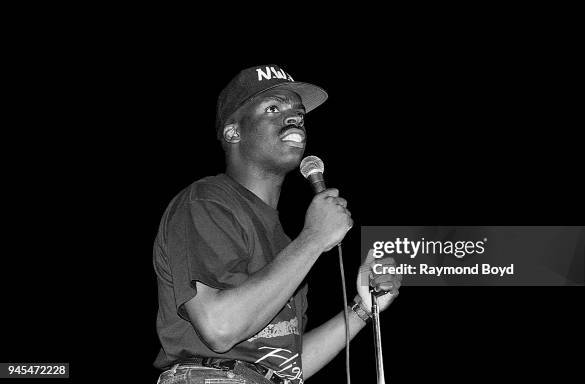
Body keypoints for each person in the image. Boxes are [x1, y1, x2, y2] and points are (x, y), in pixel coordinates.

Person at [153, 64, 401, 384]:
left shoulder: (285, 245)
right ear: (234, 132)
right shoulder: (206, 202)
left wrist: (363, 310)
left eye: (299, 112)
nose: (295, 117)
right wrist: (313, 238)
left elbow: (288, 367)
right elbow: (220, 329)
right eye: (273, 108)